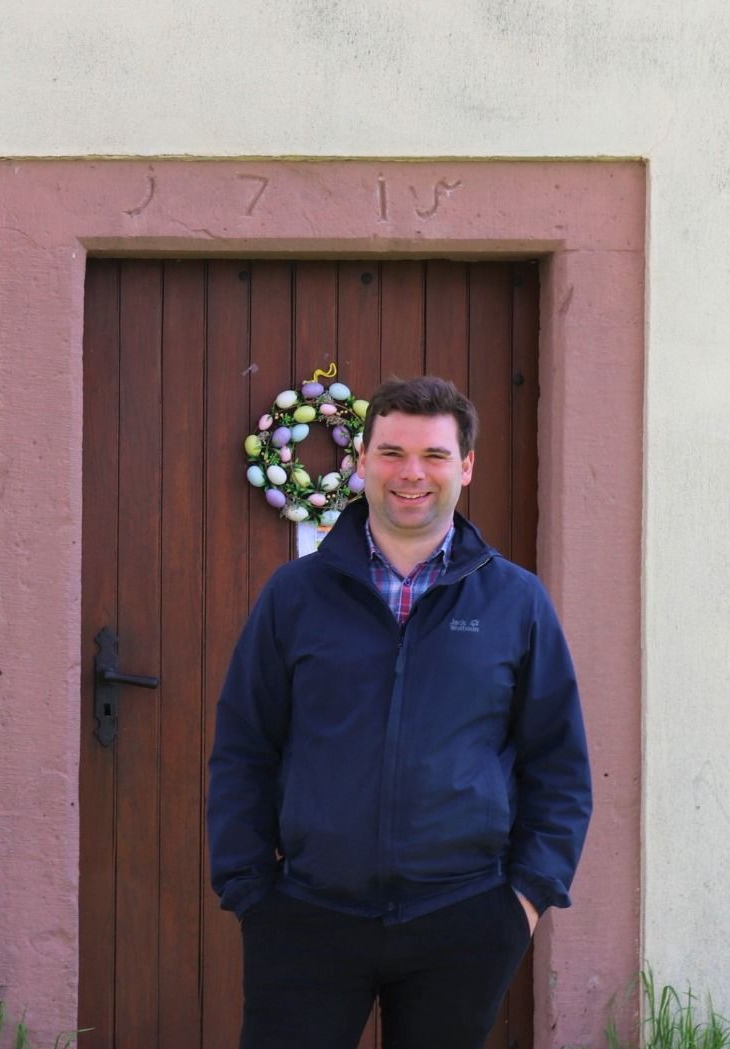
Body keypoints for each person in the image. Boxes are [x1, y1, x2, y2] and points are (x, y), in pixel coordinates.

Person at [207, 376, 593, 1049]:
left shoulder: (516, 602)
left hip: (463, 916)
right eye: (391, 452)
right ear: (361, 461)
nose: (411, 473)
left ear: (466, 466)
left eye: (435, 455)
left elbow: (558, 763)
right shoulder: (295, 595)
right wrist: (251, 890)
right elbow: (245, 744)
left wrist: (524, 900)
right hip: (307, 915)